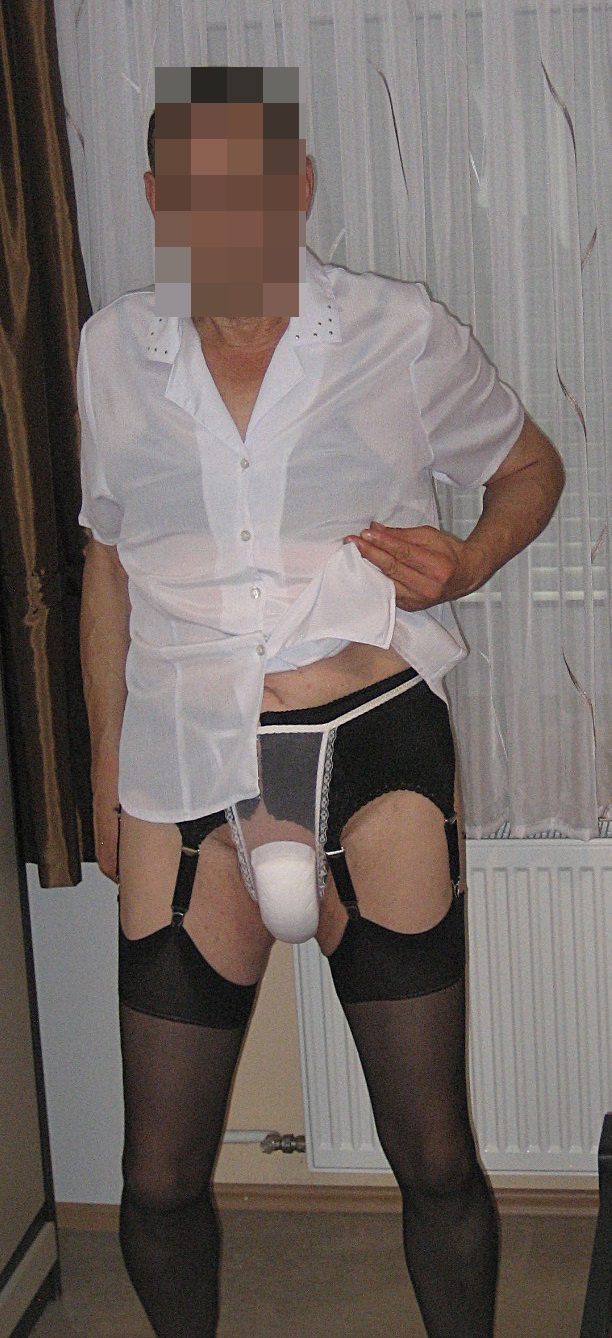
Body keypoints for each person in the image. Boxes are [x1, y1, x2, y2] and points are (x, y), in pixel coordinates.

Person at [78, 67, 565, 1338]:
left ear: (297, 187)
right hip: (181, 768)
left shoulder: (396, 330)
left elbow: (530, 466)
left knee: (435, 1154)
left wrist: (471, 560)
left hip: (371, 752)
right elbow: (105, 567)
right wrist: (102, 766)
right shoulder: (111, 350)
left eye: (252, 183)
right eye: (197, 189)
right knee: (158, 1178)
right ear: (158, 199)